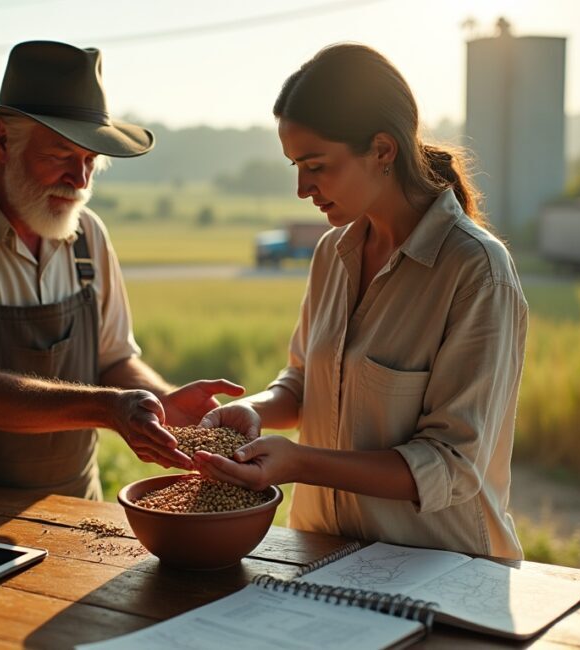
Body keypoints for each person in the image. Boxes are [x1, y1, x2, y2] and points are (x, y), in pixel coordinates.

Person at [194, 43, 526, 559]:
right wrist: (250, 411)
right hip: (317, 556)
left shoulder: (476, 272)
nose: (302, 188)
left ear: (382, 150)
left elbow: (450, 465)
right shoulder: (334, 251)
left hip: (437, 577)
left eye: (316, 165)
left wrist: (299, 462)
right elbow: (304, 384)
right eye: (294, 166)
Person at [0, 40, 242, 499]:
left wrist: (162, 402)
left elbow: (113, 359)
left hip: (74, 511)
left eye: (90, 160)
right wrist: (110, 408)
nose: (81, 180)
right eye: (61, 156)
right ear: (3, 141)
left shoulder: (88, 233)